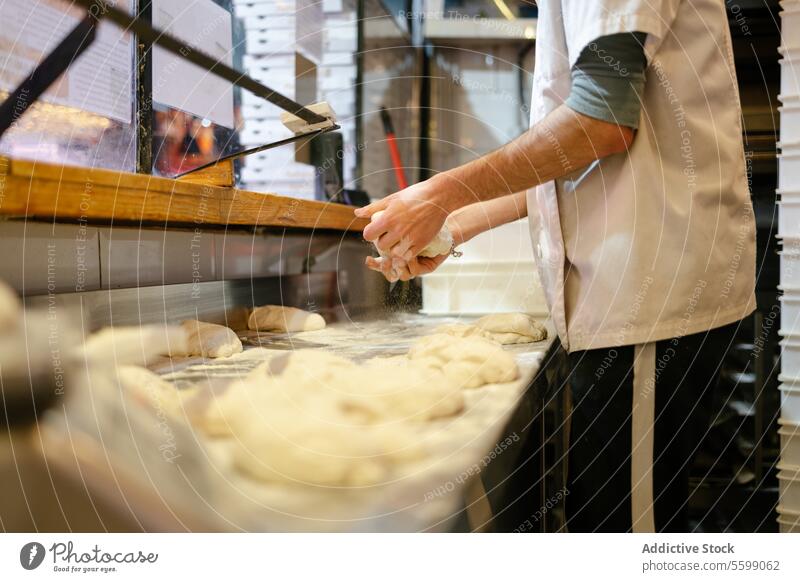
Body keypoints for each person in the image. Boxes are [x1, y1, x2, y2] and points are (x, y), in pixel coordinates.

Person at [356, 0, 756, 532]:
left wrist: (442, 194)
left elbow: (604, 120)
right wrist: (453, 224)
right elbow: (572, 165)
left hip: (648, 298)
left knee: (633, 533)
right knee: (611, 517)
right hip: (632, 294)